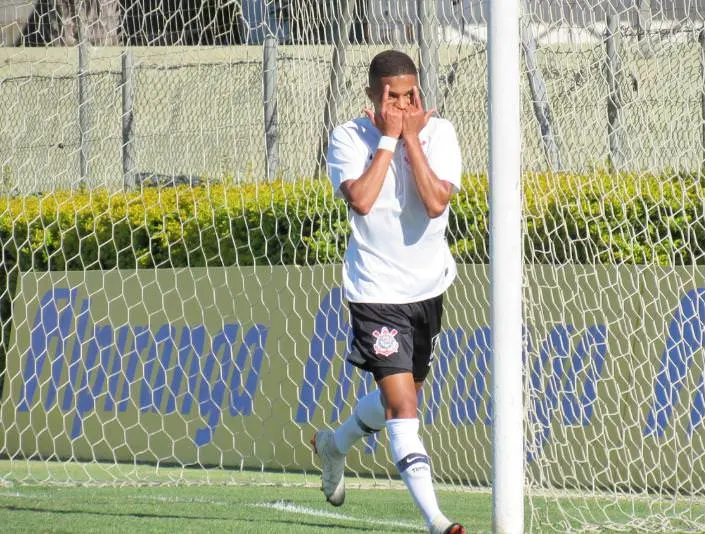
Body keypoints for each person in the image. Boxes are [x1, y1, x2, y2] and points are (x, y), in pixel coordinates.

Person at [311, 50, 465, 534]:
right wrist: (387, 140)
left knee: (405, 395)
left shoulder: (439, 133)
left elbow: (437, 202)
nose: (401, 105)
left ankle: (334, 445)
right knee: (404, 407)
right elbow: (360, 199)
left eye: (409, 96)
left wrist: (411, 140)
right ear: (372, 96)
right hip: (376, 292)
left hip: (427, 290)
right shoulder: (348, 136)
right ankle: (437, 521)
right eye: (390, 97)